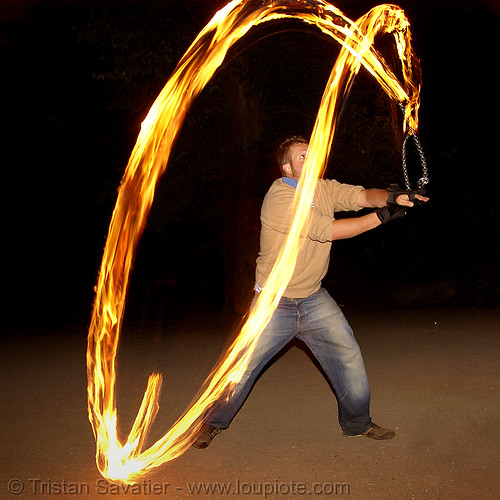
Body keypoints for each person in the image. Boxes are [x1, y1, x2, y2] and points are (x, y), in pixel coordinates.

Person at [193, 135, 429, 448]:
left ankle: (357, 423)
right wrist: (383, 217)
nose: (311, 157)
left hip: (314, 297)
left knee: (348, 356)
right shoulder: (279, 198)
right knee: (242, 368)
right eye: (303, 155)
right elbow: (328, 231)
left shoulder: (323, 187)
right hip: (273, 303)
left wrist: (392, 197)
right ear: (287, 168)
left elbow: (360, 196)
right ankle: (210, 422)